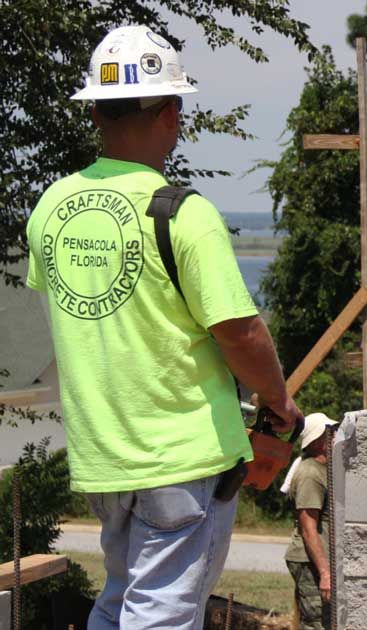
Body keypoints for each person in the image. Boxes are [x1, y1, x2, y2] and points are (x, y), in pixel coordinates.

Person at [25, 25, 303, 629]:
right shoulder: (184, 214)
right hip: (182, 460)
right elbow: (240, 333)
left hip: (105, 456)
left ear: (96, 112)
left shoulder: (49, 208)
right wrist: (278, 402)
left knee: (122, 599)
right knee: (161, 615)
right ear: (172, 113)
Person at [282, 413, 338, 630]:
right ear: (317, 442)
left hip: (320, 559)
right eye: (329, 433)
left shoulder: (326, 469)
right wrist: (325, 573)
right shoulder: (310, 474)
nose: (335, 437)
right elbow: (308, 528)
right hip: (309, 561)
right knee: (316, 623)